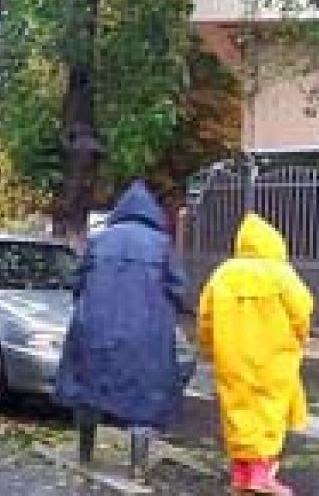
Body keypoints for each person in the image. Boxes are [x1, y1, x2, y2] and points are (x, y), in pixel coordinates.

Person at [56, 179, 193, 481]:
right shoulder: (161, 244)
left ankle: (85, 454)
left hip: (94, 329)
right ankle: (137, 467)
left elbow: (77, 283)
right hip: (145, 335)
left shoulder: (99, 240)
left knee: (88, 391)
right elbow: (179, 289)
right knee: (143, 398)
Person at [198, 213, 313, 496]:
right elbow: (302, 311)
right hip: (273, 357)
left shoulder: (223, 273)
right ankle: (261, 476)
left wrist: (209, 348)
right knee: (268, 413)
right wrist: (299, 340)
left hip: (232, 357)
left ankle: (242, 474)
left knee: (238, 413)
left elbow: (205, 316)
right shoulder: (281, 273)